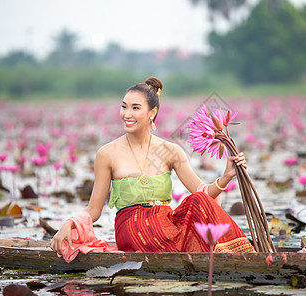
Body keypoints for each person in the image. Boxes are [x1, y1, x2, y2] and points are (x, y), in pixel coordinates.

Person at [50, 77, 255, 255]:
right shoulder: (107, 153)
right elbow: (94, 209)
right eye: (124, 106)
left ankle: (238, 256)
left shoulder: (171, 151)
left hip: (167, 223)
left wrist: (226, 177)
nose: (126, 114)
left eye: (135, 108)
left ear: (152, 112)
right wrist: (70, 222)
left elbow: (204, 194)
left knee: (198, 200)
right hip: (132, 229)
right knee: (173, 228)